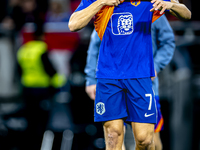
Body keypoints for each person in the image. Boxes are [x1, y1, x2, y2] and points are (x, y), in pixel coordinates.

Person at [68, 0, 191, 149]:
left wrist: (171, 5)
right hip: (109, 77)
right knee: (113, 135)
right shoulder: (100, 1)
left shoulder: (149, 2)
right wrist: (102, 2)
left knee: (144, 140)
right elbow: (73, 24)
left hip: (140, 76)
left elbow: (186, 14)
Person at [85, 14, 175, 150]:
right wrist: (91, 79)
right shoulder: (110, 9)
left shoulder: (150, 8)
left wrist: (155, 66)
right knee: (114, 135)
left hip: (144, 85)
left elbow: (168, 41)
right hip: (113, 83)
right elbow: (95, 45)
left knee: (149, 139)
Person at [17, 24, 66, 150]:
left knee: (30, 120)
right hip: (42, 90)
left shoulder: (24, 50)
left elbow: (18, 70)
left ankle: (29, 145)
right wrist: (59, 85)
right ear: (42, 36)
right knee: (42, 122)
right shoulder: (41, 49)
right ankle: (40, 145)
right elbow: (50, 70)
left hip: (27, 89)